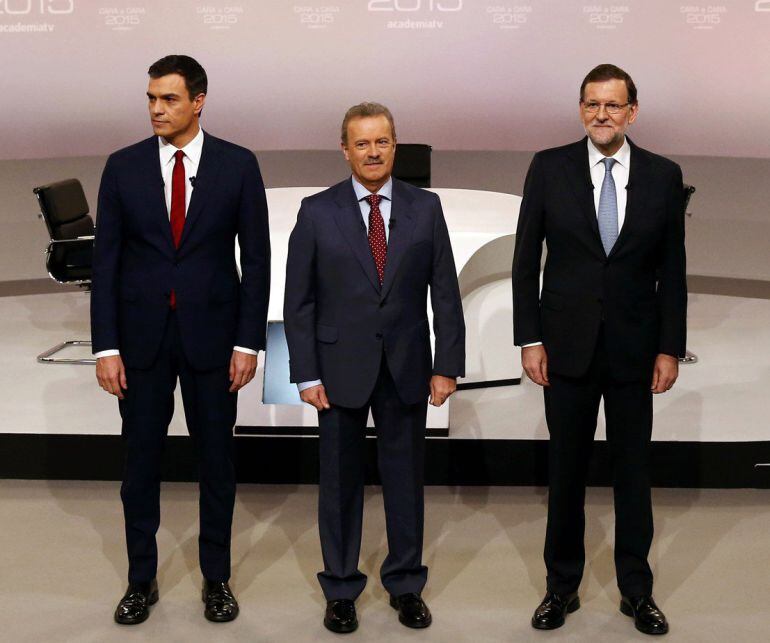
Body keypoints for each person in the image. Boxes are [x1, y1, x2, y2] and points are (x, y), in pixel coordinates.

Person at [91, 54, 270, 625]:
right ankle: (140, 579)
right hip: (140, 342)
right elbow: (108, 262)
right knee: (139, 466)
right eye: (150, 99)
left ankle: (216, 579)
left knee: (217, 463)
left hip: (214, 341)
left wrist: (248, 343)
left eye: (168, 99)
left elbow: (257, 261)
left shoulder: (238, 165)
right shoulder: (121, 167)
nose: (156, 110)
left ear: (198, 101)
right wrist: (105, 346)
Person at [512, 64, 686, 636]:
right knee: (565, 472)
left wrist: (670, 348)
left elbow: (672, 272)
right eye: (592, 104)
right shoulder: (549, 167)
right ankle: (561, 588)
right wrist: (529, 337)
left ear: (632, 111)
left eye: (613, 105)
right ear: (581, 109)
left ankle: (637, 591)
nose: (602, 114)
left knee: (633, 473)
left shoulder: (663, 175)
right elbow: (525, 261)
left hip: (636, 351)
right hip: (565, 348)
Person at [283, 102, 465, 634]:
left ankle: (405, 584)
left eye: (381, 141)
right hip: (339, 369)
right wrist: (307, 373)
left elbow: (445, 294)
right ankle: (340, 589)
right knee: (338, 483)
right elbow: (300, 302)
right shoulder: (316, 211)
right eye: (361, 143)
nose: (372, 152)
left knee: (405, 482)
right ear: (345, 149)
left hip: (408, 365)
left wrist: (445, 365)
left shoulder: (425, 208)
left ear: (395, 145)